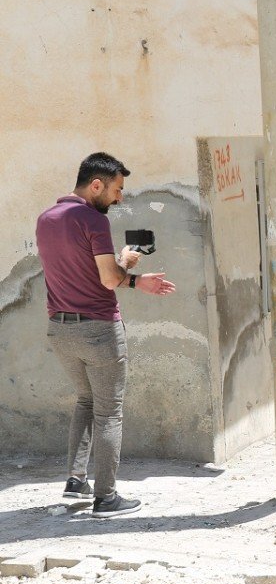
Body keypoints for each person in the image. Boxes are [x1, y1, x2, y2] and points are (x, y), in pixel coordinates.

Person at [36, 152, 176, 518]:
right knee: (109, 413)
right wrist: (135, 279)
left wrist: (122, 261)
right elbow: (108, 280)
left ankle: (75, 480)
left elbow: (82, 269)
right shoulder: (92, 219)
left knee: (85, 401)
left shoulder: (46, 219)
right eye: (116, 190)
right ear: (96, 184)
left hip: (59, 329)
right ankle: (106, 497)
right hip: (98, 328)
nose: (119, 198)